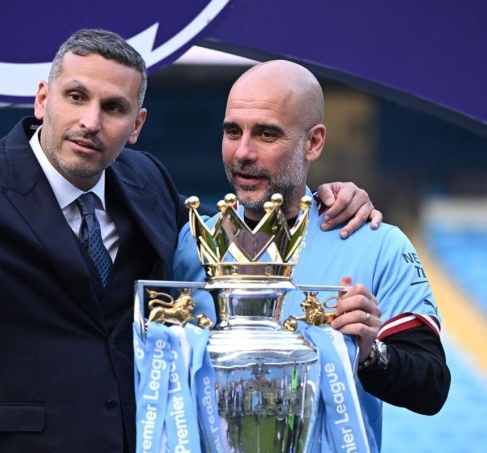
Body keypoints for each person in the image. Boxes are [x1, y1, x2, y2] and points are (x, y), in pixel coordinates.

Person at [0, 14, 378, 452]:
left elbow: (217, 256)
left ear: (137, 124)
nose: (90, 120)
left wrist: (319, 196)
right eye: (75, 96)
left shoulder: (146, 181)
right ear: (42, 100)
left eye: (113, 108)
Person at [172, 60, 451, 452]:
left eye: (267, 134)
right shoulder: (187, 241)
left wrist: (371, 352)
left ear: (314, 142)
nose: (243, 152)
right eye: (232, 131)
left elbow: (431, 387)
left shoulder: (377, 244)